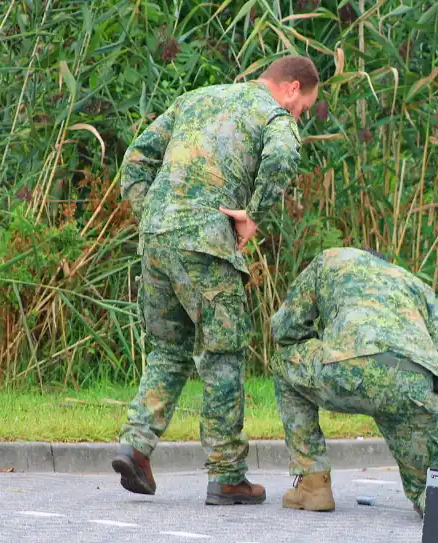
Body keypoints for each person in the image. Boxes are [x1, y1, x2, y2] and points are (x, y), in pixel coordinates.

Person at [110, 55, 319, 506]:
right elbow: (283, 155)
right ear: (291, 88)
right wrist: (253, 215)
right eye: (302, 107)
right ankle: (227, 475)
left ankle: (136, 446)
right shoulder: (273, 114)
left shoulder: (196, 99)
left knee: (168, 350)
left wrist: (153, 215)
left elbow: (136, 158)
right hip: (206, 243)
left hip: (156, 240)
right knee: (223, 354)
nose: (298, 116)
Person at [270, 247, 438, 517]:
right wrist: (429, 401)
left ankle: (313, 484)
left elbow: (285, 329)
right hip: (414, 382)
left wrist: (324, 342)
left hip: (348, 370)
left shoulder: (330, 259)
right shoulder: (415, 284)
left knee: (283, 360)